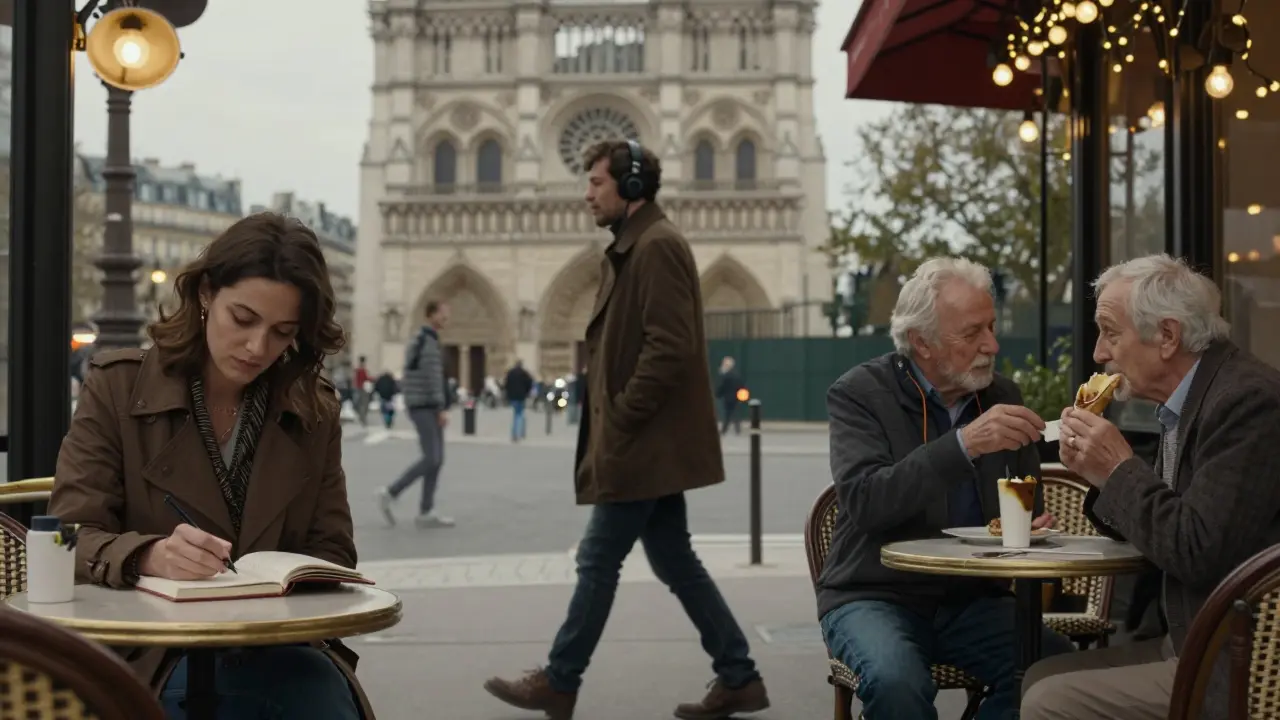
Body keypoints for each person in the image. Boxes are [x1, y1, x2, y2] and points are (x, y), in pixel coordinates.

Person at [483, 139, 769, 720]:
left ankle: (560, 681)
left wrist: (623, 415)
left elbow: (669, 347)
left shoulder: (656, 247)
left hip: (643, 443)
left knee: (597, 560)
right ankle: (739, 675)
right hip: (646, 441)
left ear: (631, 188)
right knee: (673, 560)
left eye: (595, 182)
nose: (585, 192)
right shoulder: (637, 246)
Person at [48, 212, 372, 719]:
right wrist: (147, 556)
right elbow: (65, 537)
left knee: (306, 692)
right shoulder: (117, 388)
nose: (257, 347)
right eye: (242, 319)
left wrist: (288, 583)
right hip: (152, 653)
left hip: (278, 649)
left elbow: (333, 550)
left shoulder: (313, 411)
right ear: (204, 294)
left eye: (282, 332)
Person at [1022, 255, 1280, 720]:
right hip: (1188, 639)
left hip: (1243, 664)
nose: (1100, 353)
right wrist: (1100, 473)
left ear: (1166, 336)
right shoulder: (1189, 399)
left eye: (1110, 332)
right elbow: (1162, 523)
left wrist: (1119, 467)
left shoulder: (1246, 402)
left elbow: (1195, 549)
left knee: (1048, 701)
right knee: (1038, 675)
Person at [819, 257, 1075, 720]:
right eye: (972, 333)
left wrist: (1028, 526)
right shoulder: (858, 393)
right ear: (923, 342)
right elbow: (865, 502)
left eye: (992, 327)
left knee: (1057, 672)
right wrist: (963, 445)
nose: (992, 345)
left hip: (971, 598)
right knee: (898, 684)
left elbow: (1021, 498)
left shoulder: (1002, 396)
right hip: (874, 595)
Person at [377, 300, 454, 529]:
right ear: (431, 314)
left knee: (437, 459)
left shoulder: (423, 339)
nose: (446, 318)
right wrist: (441, 407)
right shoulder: (427, 341)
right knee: (432, 457)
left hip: (422, 404)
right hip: (425, 405)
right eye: (443, 313)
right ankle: (390, 492)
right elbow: (432, 378)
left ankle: (426, 510)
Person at [504, 359, 534, 442]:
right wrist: (527, 392)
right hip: (521, 396)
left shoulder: (510, 373)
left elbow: (506, 385)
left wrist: (508, 395)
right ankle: (519, 433)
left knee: (515, 415)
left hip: (513, 397)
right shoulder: (524, 373)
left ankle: (514, 434)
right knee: (520, 415)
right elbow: (530, 383)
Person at [715, 356, 745, 435]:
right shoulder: (737, 375)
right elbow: (741, 386)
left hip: (728, 397)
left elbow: (722, 387)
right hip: (736, 397)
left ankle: (724, 430)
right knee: (734, 413)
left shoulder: (726, 376)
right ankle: (737, 429)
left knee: (728, 414)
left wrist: (717, 394)